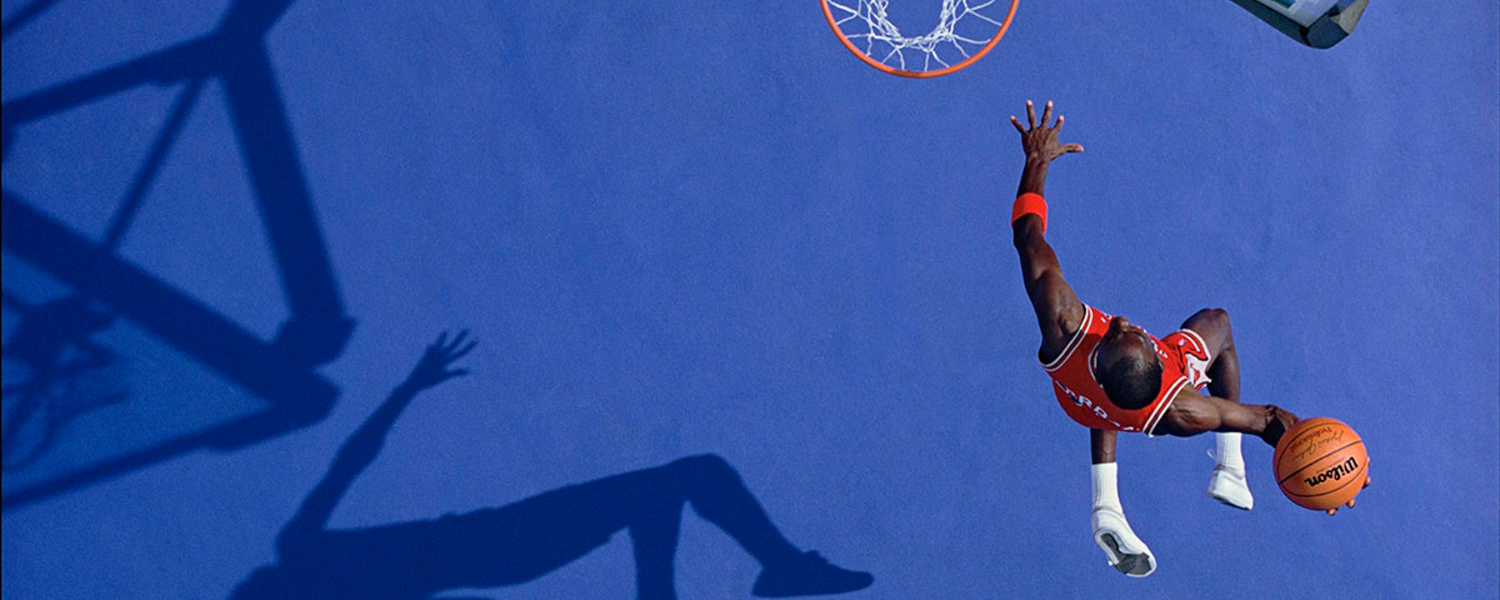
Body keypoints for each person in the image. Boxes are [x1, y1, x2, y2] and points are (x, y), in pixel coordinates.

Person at [1005, 100, 1369, 577]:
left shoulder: (1063, 324)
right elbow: (1268, 420)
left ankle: (1106, 505)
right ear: (1162, 365)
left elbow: (1028, 237)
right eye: (1131, 333)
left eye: (1121, 330)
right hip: (1129, 409)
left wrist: (1036, 160)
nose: (1122, 322)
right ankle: (1228, 468)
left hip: (1076, 399)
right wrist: (1334, 467)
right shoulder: (1185, 409)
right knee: (1218, 322)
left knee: (1106, 399)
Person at [232, 331, 872, 599]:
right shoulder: (311, 562)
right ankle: (782, 567)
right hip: (505, 544)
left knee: (673, 487)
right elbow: (350, 463)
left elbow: (351, 462)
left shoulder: (304, 554)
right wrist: (406, 389)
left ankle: (780, 568)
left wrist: (408, 389)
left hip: (506, 543)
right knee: (691, 475)